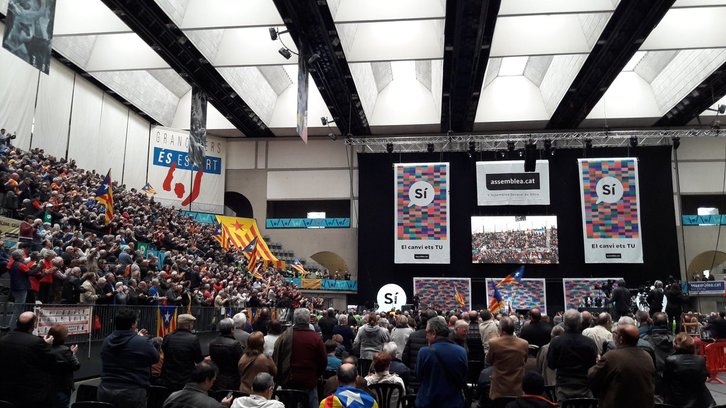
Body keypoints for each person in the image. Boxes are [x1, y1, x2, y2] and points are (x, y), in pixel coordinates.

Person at [99, 308, 160, 408]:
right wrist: (140, 338)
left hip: (106, 390)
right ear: (132, 325)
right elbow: (155, 358)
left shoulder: (107, 340)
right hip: (132, 392)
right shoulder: (142, 342)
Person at [588, 324, 655, 408]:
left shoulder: (612, 356)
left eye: (615, 333)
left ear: (620, 339)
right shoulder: (647, 356)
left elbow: (592, 376)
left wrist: (598, 364)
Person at [0, 311, 55, 408]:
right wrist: (47, 346)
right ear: (34, 325)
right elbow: (50, 363)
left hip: (6, 390)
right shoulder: (37, 342)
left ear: (17, 322)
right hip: (29, 393)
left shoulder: (3, 340)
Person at [273, 308, 326, 408]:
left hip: (288, 381)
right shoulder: (316, 338)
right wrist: (316, 375)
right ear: (309, 320)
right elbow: (323, 361)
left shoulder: (284, 336)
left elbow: (276, 357)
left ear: (294, 320)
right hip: (309, 382)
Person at [415, 316, 467, 408]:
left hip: (429, 401)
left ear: (433, 333)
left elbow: (419, 376)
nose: (426, 336)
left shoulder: (424, 352)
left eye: (427, 332)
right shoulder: (461, 351)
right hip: (453, 402)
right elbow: (463, 375)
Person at [546, 309, 597, 401]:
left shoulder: (556, 342)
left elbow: (551, 365)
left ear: (564, 323)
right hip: (584, 385)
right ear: (580, 322)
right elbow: (593, 365)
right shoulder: (590, 342)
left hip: (563, 385)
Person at [663, 333, 715, 408]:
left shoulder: (670, 360)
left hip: (677, 401)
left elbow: (666, 380)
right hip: (699, 401)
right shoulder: (700, 360)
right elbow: (704, 377)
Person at [487, 316, 529, 400]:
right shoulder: (524, 343)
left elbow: (489, 360)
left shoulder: (493, 342)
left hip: (499, 386)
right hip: (517, 384)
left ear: (501, 329)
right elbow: (524, 360)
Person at [162, 362, 233, 408]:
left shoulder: (172, 397)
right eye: (213, 380)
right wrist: (223, 406)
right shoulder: (213, 404)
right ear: (207, 380)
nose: (212, 384)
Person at [162, 314, 204, 390]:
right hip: (186, 380)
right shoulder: (193, 339)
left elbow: (164, 352)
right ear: (189, 325)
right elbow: (198, 359)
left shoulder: (168, 337)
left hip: (168, 379)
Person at [48, 325, 81, 408]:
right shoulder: (65, 350)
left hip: (48, 385)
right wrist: (73, 354)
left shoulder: (46, 348)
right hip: (63, 386)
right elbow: (76, 365)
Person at [208, 318, 244, 391]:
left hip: (217, 378)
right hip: (233, 379)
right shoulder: (235, 344)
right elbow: (241, 362)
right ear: (231, 330)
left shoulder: (212, 343)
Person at [402, 309, 436, 384]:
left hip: (415, 377)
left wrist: (412, 368)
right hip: (432, 379)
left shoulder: (413, 335)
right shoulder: (438, 337)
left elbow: (405, 357)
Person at [7, 249, 31, 329]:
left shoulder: (13, 263)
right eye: (22, 255)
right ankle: (12, 328)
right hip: (21, 288)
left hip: (16, 287)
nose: (23, 256)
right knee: (18, 310)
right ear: (20, 256)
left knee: (19, 309)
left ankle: (17, 327)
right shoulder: (20, 265)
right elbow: (31, 273)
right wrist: (39, 266)